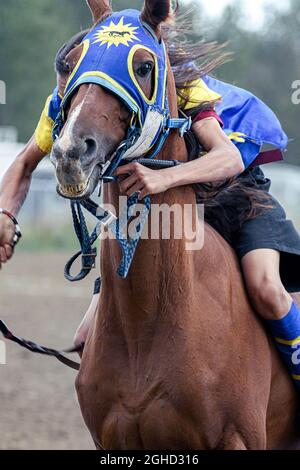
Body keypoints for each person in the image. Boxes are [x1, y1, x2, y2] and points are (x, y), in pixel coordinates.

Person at [1, 33, 300, 404]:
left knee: (266, 288)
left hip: (238, 196)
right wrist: (5, 214)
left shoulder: (183, 86)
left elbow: (230, 158)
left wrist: (163, 177)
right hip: (161, 212)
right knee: (83, 337)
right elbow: (24, 163)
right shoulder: (72, 98)